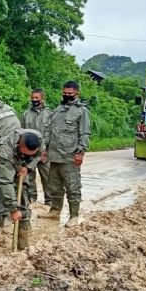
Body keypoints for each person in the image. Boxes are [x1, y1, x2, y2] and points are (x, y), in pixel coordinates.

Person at [39, 81, 91, 228]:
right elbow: (50, 132)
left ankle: (74, 216)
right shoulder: (58, 109)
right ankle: (55, 211)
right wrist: (45, 150)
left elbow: (85, 133)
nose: (67, 96)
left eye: (70, 94)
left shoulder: (82, 111)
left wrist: (80, 152)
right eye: (65, 93)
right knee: (54, 186)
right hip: (54, 156)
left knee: (72, 188)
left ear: (77, 94)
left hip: (70, 156)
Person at [0, 129, 44, 255]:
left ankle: (23, 243)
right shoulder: (4, 150)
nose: (29, 156)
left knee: (23, 201)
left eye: (30, 155)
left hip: (20, 165)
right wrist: (13, 209)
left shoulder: (38, 139)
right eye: (26, 154)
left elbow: (39, 155)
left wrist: (28, 166)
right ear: (19, 145)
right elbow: (6, 182)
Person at [21, 88, 53, 205]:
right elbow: (21, 133)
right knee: (30, 178)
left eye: (37, 98)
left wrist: (48, 151)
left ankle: (49, 202)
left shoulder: (50, 114)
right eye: (32, 98)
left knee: (48, 178)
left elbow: (53, 134)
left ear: (42, 98)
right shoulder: (25, 114)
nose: (34, 100)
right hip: (29, 152)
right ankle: (31, 200)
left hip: (45, 153)